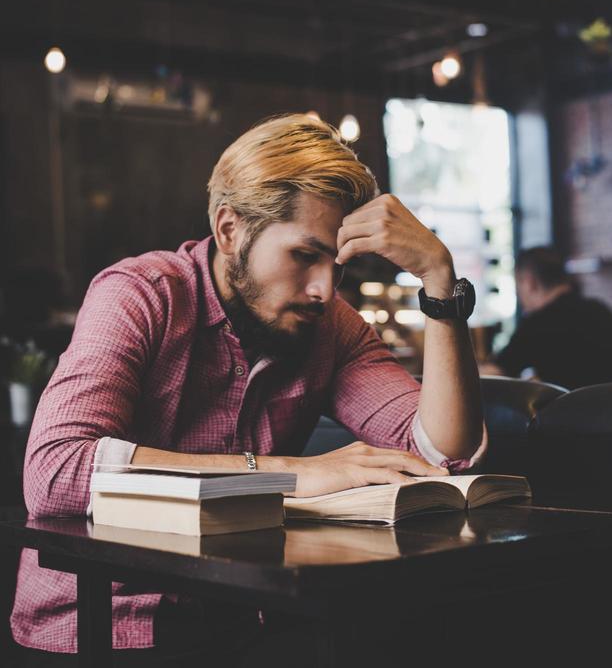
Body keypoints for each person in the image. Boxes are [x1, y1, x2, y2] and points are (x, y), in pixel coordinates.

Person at [12, 114, 484, 666]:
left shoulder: (330, 324)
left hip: (248, 615)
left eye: (337, 263)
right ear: (230, 229)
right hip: (106, 622)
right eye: (305, 255)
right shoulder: (141, 294)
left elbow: (445, 452)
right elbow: (55, 472)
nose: (323, 289)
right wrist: (293, 472)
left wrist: (439, 279)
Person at [483, 246, 612, 390]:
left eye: (518, 285)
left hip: (580, 419)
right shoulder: (600, 309)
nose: (519, 295)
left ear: (529, 283)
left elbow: (494, 373)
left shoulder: (539, 323)